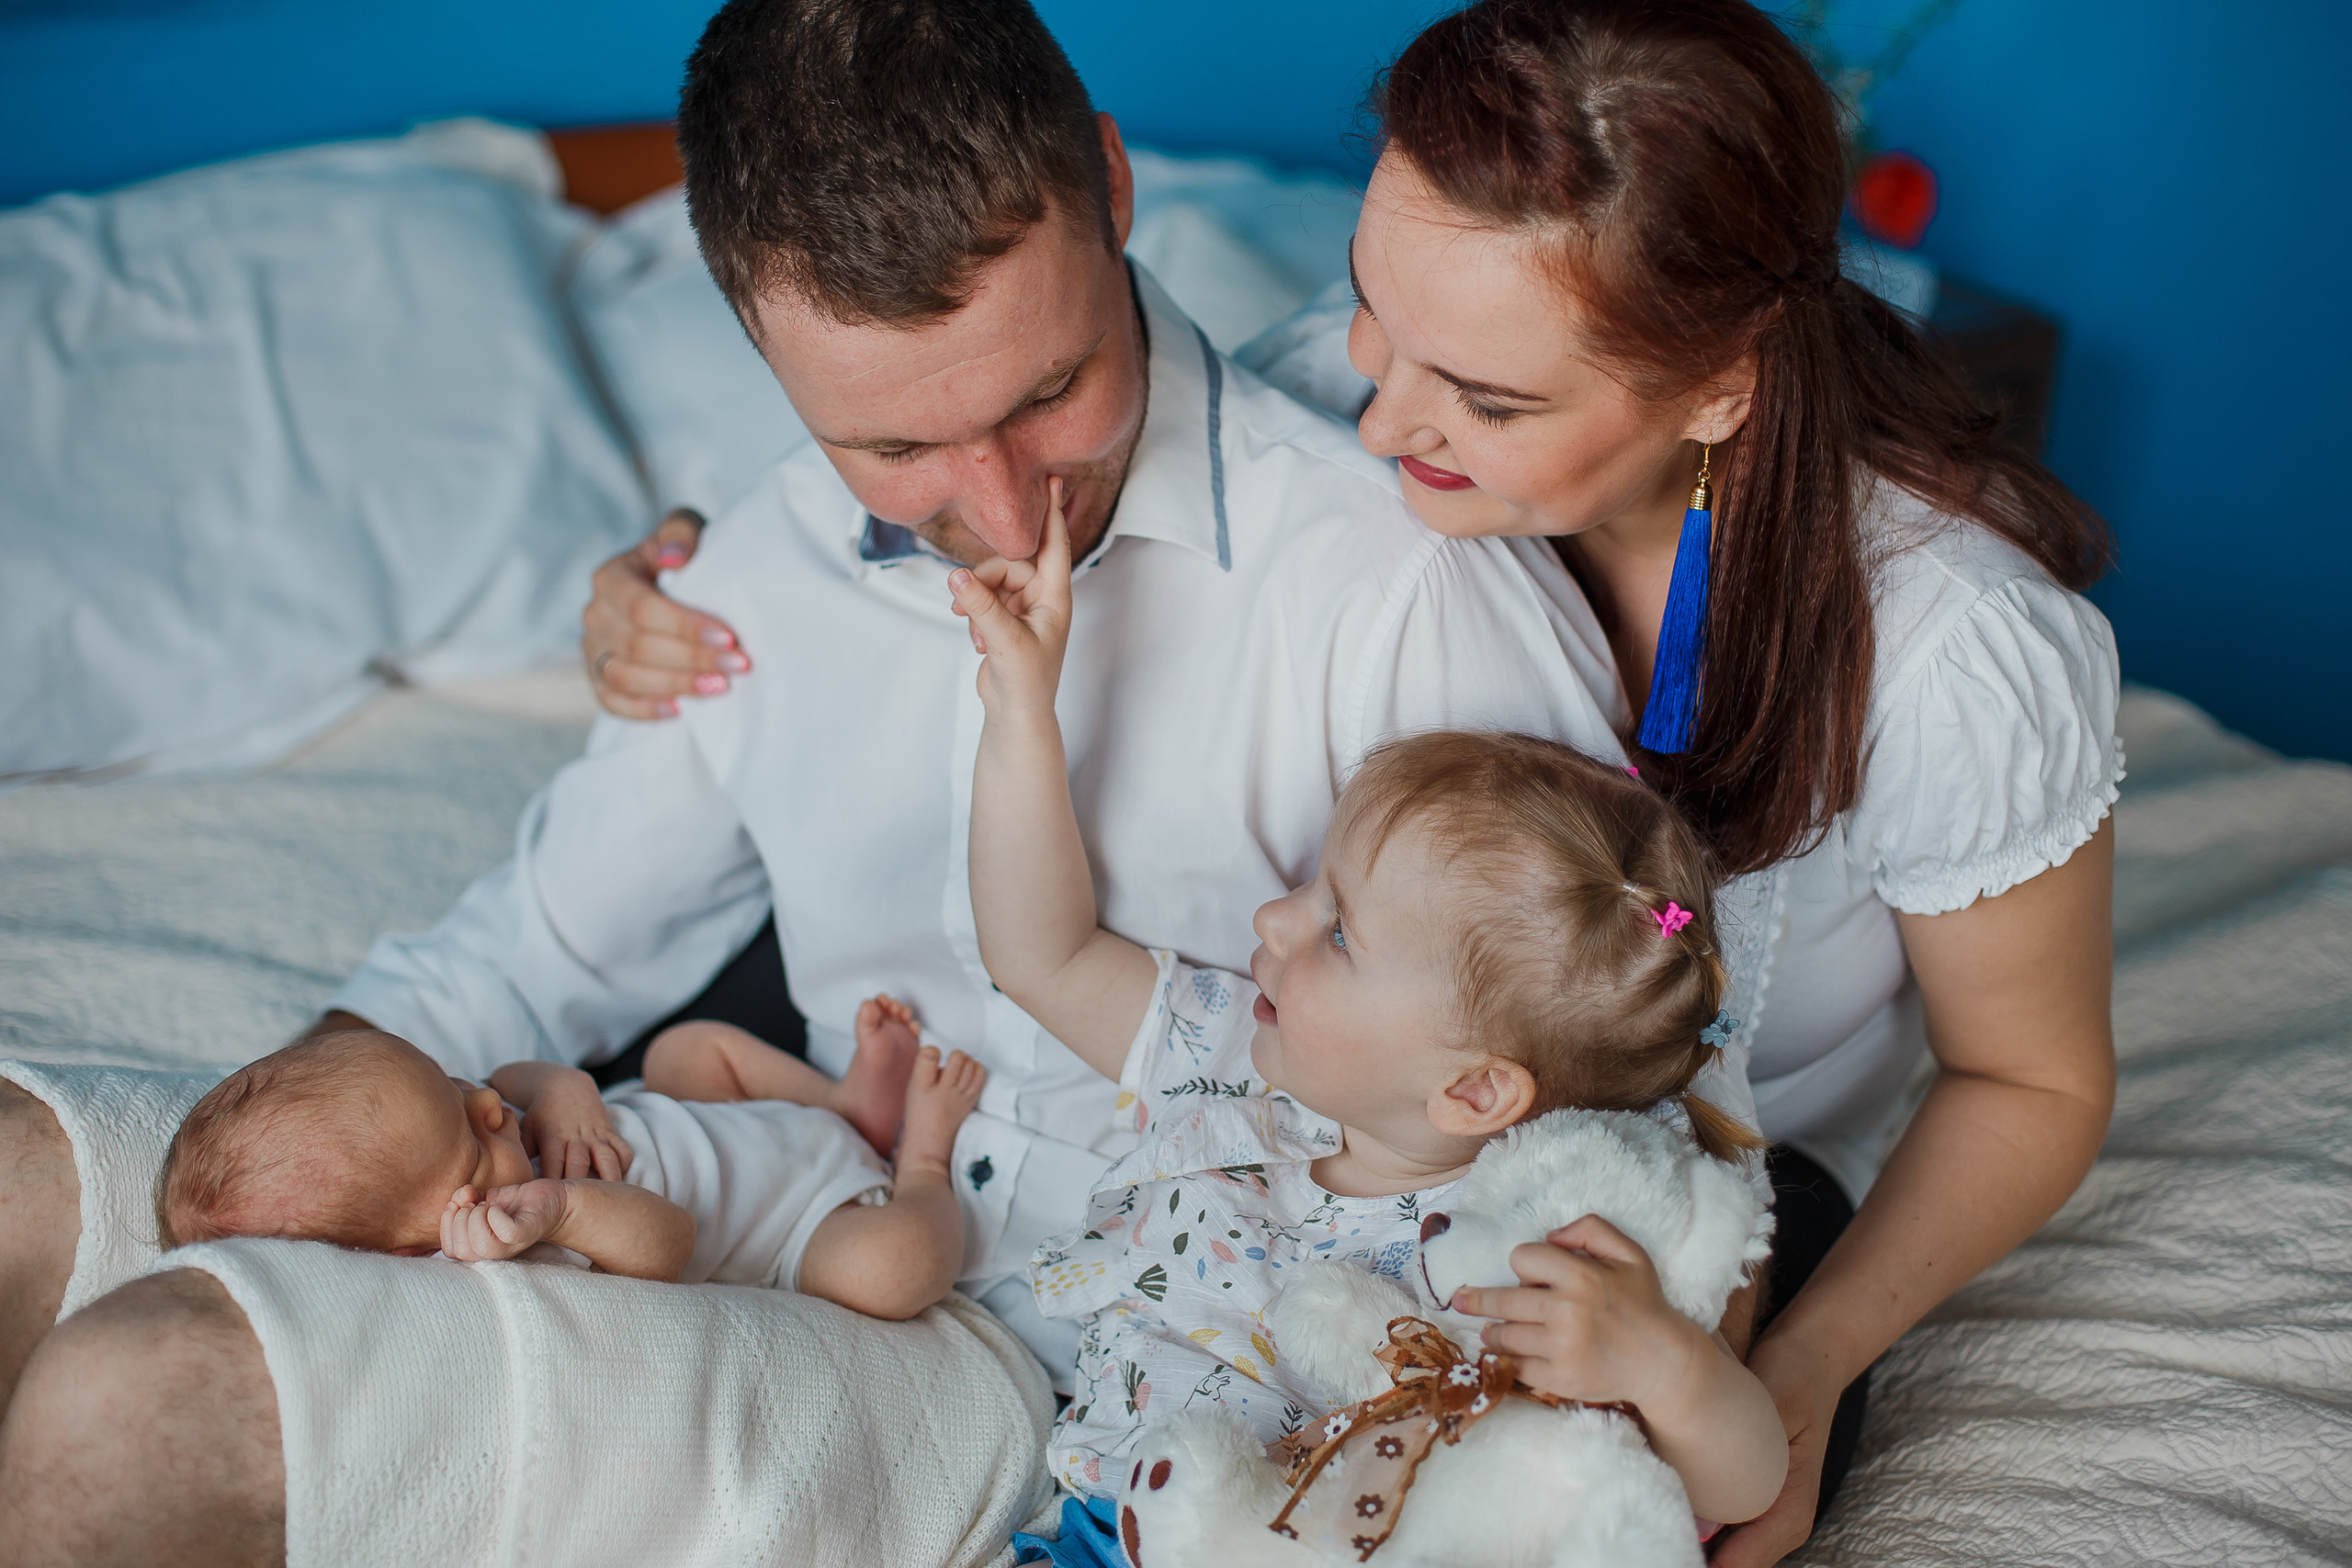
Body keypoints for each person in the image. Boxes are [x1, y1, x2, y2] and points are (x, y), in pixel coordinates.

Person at [0, 1, 1641, 1562]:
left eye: (1047, 395)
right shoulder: (751, 583)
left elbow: (1609, 1092)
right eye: (893, 449)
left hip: (1066, 1352)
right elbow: (536, 954)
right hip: (765, 1205)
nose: (1002, 519)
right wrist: (304, 1147)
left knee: (143, 1408)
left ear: (1115, 186)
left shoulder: (1401, 592)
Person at [590, 3, 2121, 1560]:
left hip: (1701, 1165)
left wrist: (1793, 1369)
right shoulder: (1333, 405)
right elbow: (1034, 558)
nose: (1382, 415)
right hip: (1343, 1107)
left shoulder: (1955, 650)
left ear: (1722, 385)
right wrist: (695, 590)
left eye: (1488, 397)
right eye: (1375, 310)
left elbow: (2034, 1080)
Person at [950, 484, 1787, 1526]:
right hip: (1098, 1529)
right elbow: (1041, 953)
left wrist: (1670, 1371)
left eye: (1337, 932)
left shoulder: (1536, 1239)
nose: (1269, 920)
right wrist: (1022, 716)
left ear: (1474, 1088)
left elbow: (1740, 1484)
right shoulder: (1226, 1056)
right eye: (1313, 887)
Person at [154, 1018, 982, 1317]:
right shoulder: (523, 1245)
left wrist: (567, 1089)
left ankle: (843, 1105)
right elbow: (670, 1241)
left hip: (732, 1117)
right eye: (473, 1139)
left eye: (450, 1082)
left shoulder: (493, 1116)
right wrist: (565, 1209)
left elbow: (514, 1078)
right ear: (423, 1244)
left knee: (683, 1049)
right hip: (808, 1216)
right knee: (888, 1271)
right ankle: (923, 1158)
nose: (487, 1105)